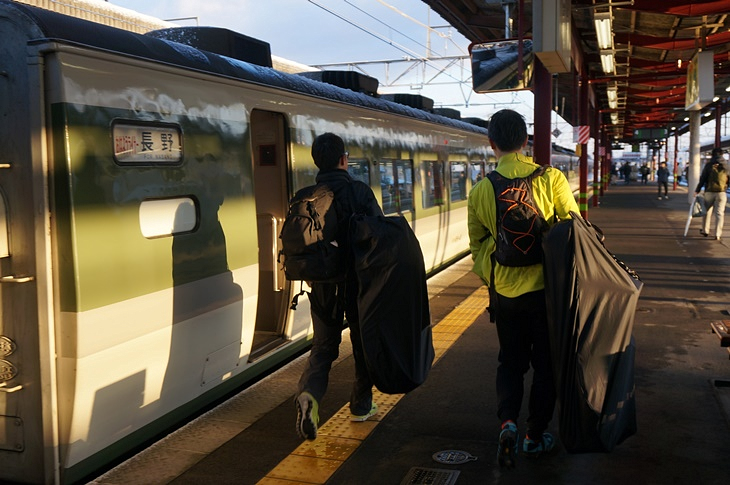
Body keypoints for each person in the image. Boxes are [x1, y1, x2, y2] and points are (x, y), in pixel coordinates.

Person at [467, 109, 580, 467]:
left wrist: (495, 275)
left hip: (506, 295)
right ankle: (534, 436)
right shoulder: (551, 179)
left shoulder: (481, 189)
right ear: (526, 141)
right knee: (546, 366)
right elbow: (572, 228)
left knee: (510, 362)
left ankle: (508, 423)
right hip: (547, 294)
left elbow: (478, 244)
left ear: (491, 144)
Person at [294, 133, 384, 441]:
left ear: (317, 162)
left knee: (322, 347)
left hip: (321, 284)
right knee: (361, 346)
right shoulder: (359, 192)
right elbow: (379, 236)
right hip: (358, 284)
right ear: (343, 160)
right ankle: (361, 406)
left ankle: (309, 395)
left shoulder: (305, 195)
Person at [694, 147, 729, 241]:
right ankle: (718, 234)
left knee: (706, 211)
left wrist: (697, 190)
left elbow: (703, 178)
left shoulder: (709, 164)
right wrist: (726, 187)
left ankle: (705, 230)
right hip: (721, 193)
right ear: (722, 154)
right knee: (719, 213)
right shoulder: (726, 165)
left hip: (709, 192)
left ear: (712, 154)